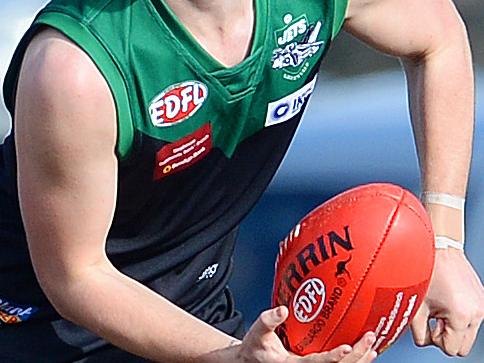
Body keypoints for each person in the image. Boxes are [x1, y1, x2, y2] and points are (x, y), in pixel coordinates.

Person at [0, 0, 482, 362]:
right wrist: (230, 356)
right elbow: (77, 275)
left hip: (201, 316)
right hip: (44, 334)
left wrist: (442, 242)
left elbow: (437, 40)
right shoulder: (75, 69)